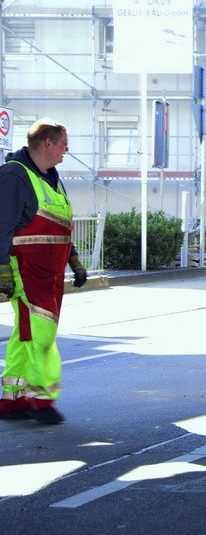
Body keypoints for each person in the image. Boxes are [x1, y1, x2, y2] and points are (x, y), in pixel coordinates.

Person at [0, 119, 87, 425]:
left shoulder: (50, 177)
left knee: (27, 334)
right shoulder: (14, 176)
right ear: (48, 143)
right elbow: (2, 225)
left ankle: (12, 400)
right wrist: (2, 271)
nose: (67, 150)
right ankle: (42, 399)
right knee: (42, 335)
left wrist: (73, 260)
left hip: (49, 274)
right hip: (26, 270)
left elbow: (60, 225)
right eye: (64, 144)